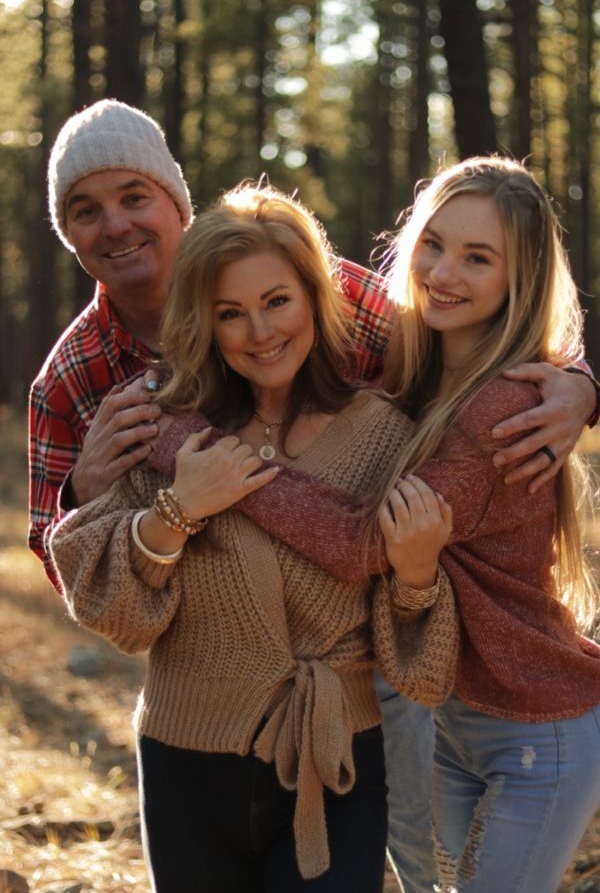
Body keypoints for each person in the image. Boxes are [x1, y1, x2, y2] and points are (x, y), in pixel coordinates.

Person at [29, 99, 598, 893]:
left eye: (134, 196)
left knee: (421, 862)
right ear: (67, 233)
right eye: (84, 211)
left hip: (376, 702)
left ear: (176, 199)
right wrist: (90, 494)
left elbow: (462, 342)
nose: (115, 225)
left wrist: (579, 385)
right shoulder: (74, 379)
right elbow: (77, 579)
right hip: (201, 718)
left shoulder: (302, 280)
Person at [48, 182, 459, 892]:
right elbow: (110, 613)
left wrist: (418, 576)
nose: (260, 332)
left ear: (314, 297)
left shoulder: (386, 435)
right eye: (230, 314)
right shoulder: (163, 429)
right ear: (203, 324)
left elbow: (422, 672)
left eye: (277, 302)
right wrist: (176, 511)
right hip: (187, 759)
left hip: (334, 761)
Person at [253, 156, 600, 891]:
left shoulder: (500, 406)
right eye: (435, 244)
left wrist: (231, 472)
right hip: (448, 719)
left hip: (537, 732)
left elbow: (360, 544)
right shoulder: (411, 371)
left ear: (520, 280)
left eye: (479, 258)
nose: (444, 272)